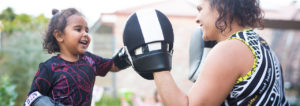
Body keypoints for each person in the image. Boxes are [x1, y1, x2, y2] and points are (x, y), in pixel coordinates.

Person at [123, 0, 290, 105]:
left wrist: (155, 59)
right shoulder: (262, 46)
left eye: (200, 8)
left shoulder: (230, 49)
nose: (197, 18)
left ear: (221, 6)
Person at [24, 8, 131, 106]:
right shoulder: (48, 68)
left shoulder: (90, 60)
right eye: (78, 29)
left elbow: (113, 65)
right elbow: (32, 99)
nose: (85, 34)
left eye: (87, 31)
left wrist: (131, 54)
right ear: (59, 35)